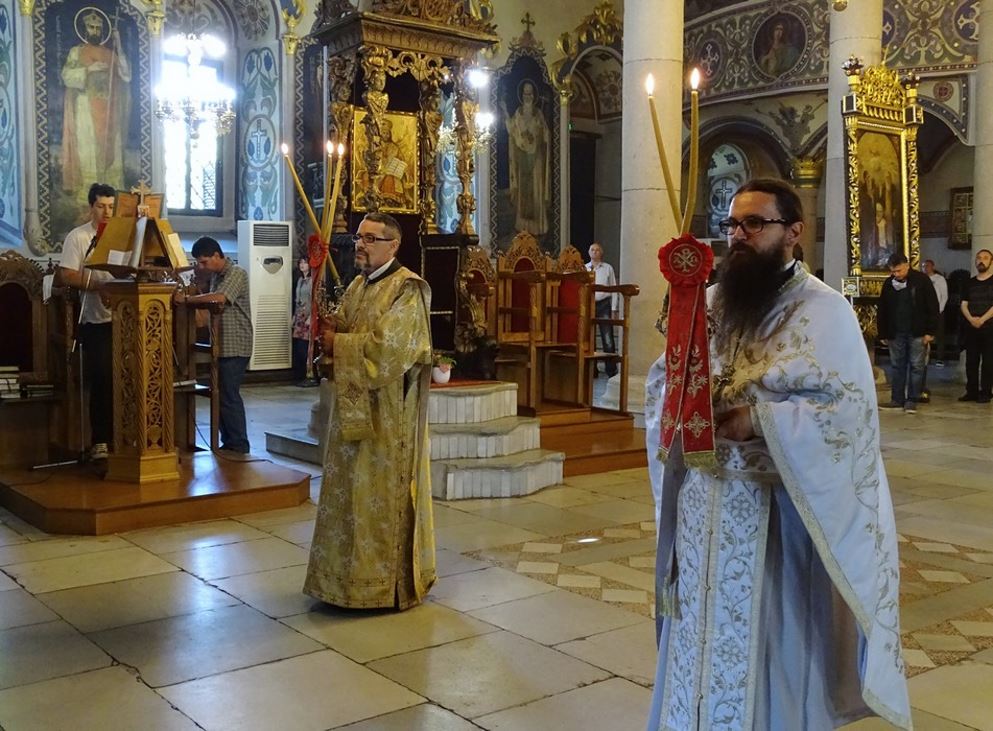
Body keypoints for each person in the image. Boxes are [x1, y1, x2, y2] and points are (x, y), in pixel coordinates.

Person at [645, 178, 910, 730]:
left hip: (777, 519)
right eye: (732, 224)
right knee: (697, 642)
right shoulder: (708, 303)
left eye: (754, 223)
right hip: (703, 513)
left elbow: (846, 414)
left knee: (770, 649)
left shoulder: (825, 312)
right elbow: (661, 381)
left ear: (793, 232)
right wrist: (681, 400)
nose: (738, 236)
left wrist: (758, 419)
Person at [304, 212, 436, 610]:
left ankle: (382, 586)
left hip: (387, 417)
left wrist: (339, 344)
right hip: (351, 408)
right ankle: (344, 582)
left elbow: (387, 350)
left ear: (393, 245)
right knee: (349, 499)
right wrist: (329, 331)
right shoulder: (358, 285)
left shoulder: (407, 289)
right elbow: (345, 329)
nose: (359, 245)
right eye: (358, 238)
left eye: (370, 239)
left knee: (376, 500)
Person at [174, 237, 253, 453]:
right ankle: (228, 442)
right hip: (220, 345)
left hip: (236, 344)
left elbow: (219, 299)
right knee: (220, 395)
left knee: (228, 395)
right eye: (198, 263)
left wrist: (187, 300)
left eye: (204, 262)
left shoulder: (236, 272)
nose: (201, 266)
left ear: (217, 256)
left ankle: (239, 444)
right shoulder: (216, 276)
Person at [59, 182, 117, 461]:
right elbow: (67, 275)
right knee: (103, 379)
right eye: (101, 206)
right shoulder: (79, 237)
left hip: (128, 319)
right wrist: (98, 286)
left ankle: (128, 439)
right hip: (95, 321)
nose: (107, 212)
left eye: (111, 207)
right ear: (91, 207)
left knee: (128, 378)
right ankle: (101, 440)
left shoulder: (125, 237)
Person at [61, 9, 130, 205]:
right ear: (85, 29)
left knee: (111, 149)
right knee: (87, 149)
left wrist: (119, 44)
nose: (95, 31)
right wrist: (89, 69)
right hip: (85, 106)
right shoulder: (77, 52)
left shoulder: (111, 53)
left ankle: (112, 192)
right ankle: (87, 193)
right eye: (91, 27)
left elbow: (126, 75)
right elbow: (67, 76)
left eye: (98, 28)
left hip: (109, 109)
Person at [876, 252, 938, 413]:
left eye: (899, 270)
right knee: (897, 365)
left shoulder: (921, 280)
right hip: (896, 331)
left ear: (907, 266)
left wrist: (930, 331)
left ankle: (912, 400)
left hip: (917, 331)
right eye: (893, 271)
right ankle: (897, 399)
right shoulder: (889, 283)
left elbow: (932, 305)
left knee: (917, 366)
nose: (896, 274)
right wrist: (883, 333)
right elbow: (882, 309)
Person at [501, 81, 551, 235]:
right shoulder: (519, 113)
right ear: (522, 95)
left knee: (536, 190)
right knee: (523, 192)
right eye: (525, 93)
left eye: (530, 93)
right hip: (522, 158)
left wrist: (540, 136)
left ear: (534, 95)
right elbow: (512, 129)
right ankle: (523, 227)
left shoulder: (538, 114)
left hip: (536, 159)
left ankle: (537, 227)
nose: (527, 96)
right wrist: (505, 111)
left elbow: (545, 134)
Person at [959, 249, 993, 403]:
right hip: (971, 327)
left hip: (989, 327)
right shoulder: (969, 283)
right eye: (979, 258)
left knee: (988, 362)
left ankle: (986, 392)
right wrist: (971, 319)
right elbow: (963, 304)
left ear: (991, 262)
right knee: (971, 361)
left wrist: (982, 319)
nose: (981, 261)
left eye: (985, 258)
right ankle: (971, 391)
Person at [585, 242, 619, 378]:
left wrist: (614, 308)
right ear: (589, 252)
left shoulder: (608, 268)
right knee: (589, 337)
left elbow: (614, 288)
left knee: (607, 337)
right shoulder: (584, 268)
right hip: (588, 304)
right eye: (592, 249)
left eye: (597, 250)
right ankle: (592, 370)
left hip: (604, 304)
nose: (595, 252)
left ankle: (611, 370)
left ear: (601, 253)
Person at [291, 256, 317, 387]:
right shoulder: (300, 280)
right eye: (300, 262)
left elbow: (314, 299)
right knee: (297, 346)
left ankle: (310, 374)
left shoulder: (312, 281)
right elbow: (297, 299)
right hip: (299, 315)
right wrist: (294, 316)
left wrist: (311, 316)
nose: (302, 265)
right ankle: (300, 374)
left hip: (308, 316)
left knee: (305, 347)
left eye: (305, 263)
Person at [923, 259, 948, 366]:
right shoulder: (921, 279)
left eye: (927, 266)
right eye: (923, 266)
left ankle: (940, 358)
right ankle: (924, 357)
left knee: (939, 335)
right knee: (924, 335)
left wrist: (939, 310)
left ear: (933, 266)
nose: (925, 268)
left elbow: (944, 296)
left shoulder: (939, 279)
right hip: (925, 312)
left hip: (938, 311)